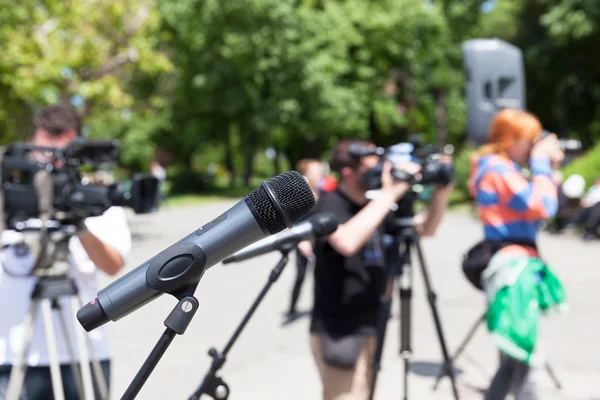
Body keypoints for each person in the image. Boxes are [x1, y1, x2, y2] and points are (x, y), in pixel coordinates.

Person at [0, 104, 132, 399]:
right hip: (13, 354)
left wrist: (78, 222)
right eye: (47, 147)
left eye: (63, 151)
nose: (53, 161)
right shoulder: (9, 193)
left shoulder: (94, 197)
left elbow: (113, 265)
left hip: (84, 354)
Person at [309, 138, 452, 400]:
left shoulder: (376, 206)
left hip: (372, 321)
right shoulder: (329, 203)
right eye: (371, 169)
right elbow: (346, 241)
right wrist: (388, 194)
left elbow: (426, 228)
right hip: (339, 328)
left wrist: (441, 193)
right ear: (348, 171)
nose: (380, 174)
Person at [468, 109, 567, 400]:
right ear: (509, 139)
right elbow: (542, 206)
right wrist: (540, 165)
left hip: (515, 262)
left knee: (514, 356)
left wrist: (546, 168)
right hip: (511, 265)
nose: (532, 145)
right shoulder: (497, 169)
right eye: (528, 140)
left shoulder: (497, 167)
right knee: (525, 353)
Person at [287, 158, 324, 318]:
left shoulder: (324, 192)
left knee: (322, 275)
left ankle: (320, 307)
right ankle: (292, 307)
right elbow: (293, 221)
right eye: (315, 171)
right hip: (303, 240)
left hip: (320, 240)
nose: (320, 174)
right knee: (301, 275)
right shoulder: (300, 195)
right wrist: (302, 241)